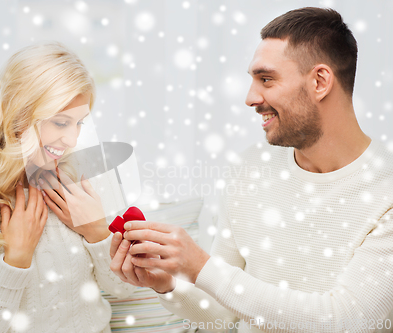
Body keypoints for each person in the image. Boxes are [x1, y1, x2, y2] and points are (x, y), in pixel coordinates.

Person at [109, 7, 393, 333]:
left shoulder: (386, 192)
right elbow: (224, 315)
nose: (251, 98)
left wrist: (202, 266)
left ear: (320, 81)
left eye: (266, 79)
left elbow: (345, 321)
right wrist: (168, 285)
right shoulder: (250, 169)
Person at [0, 41, 135, 333]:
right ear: (18, 117)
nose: (72, 141)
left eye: (79, 123)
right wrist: (17, 259)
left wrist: (97, 232)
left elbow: (124, 290)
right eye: (60, 122)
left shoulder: (85, 182)